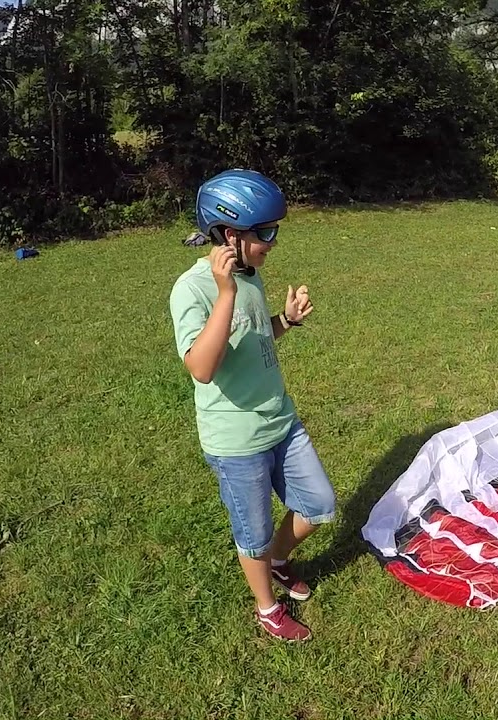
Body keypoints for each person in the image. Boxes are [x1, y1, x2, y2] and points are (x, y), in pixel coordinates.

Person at [169, 169, 335, 642]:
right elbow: (202, 366)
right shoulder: (193, 290)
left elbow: (253, 338)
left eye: (273, 230)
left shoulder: (252, 275)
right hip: (236, 440)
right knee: (254, 534)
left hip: (280, 419)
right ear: (227, 235)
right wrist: (225, 294)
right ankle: (267, 608)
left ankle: (279, 564)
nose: (271, 242)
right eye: (263, 232)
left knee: (319, 504)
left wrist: (286, 321)